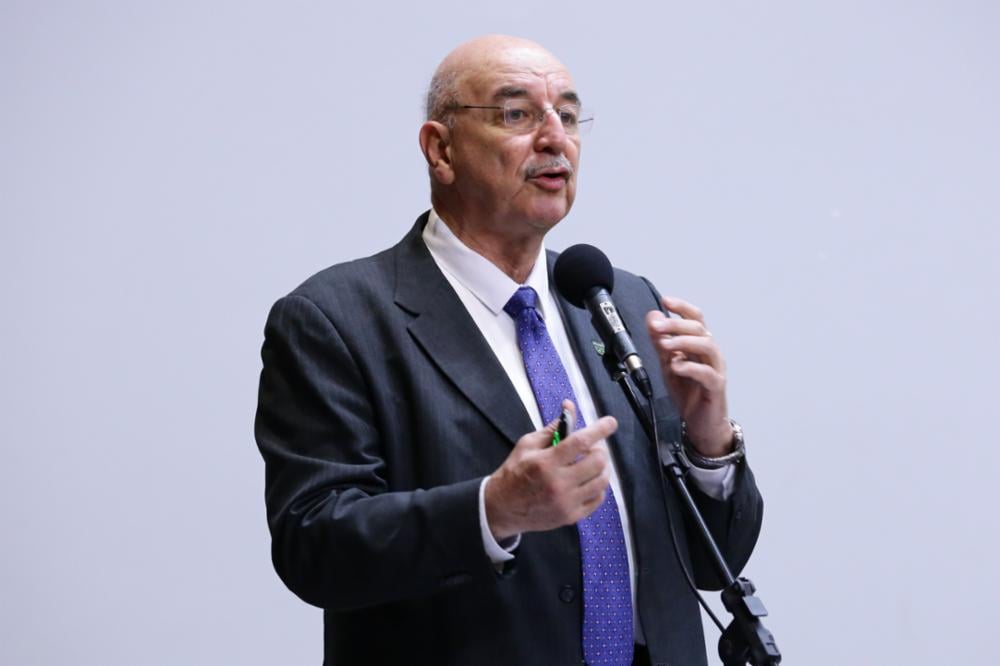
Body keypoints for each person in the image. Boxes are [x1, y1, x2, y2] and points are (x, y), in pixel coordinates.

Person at [255, 35, 763, 666]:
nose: (556, 139)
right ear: (441, 150)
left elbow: (717, 561)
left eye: (569, 116)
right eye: (517, 114)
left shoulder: (622, 302)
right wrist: (490, 511)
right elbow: (315, 547)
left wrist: (709, 442)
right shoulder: (337, 319)